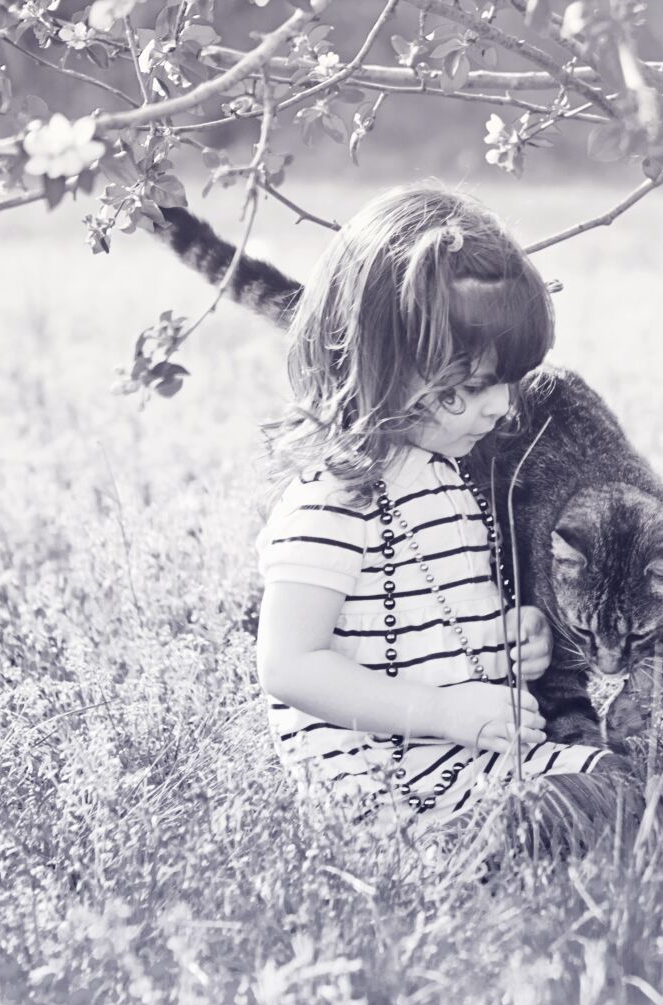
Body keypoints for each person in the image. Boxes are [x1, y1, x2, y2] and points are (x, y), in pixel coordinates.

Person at [253, 184, 620, 836]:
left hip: (463, 756)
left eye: (508, 382)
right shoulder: (332, 501)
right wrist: (440, 708)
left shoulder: (443, 479)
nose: (502, 406)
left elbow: (433, 616)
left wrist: (506, 638)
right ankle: (480, 846)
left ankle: (539, 825)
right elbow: (289, 664)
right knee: (589, 811)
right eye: (473, 387)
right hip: (386, 778)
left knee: (625, 785)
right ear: (379, 364)